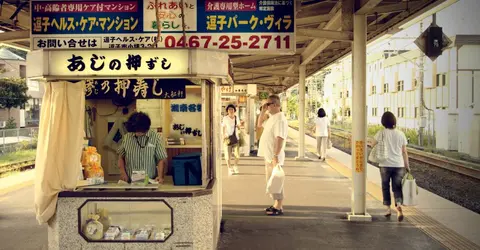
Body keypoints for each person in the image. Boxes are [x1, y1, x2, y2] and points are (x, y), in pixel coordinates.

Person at [372, 111, 410, 222]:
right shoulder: (400, 134)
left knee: (385, 187)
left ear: (383, 122)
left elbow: (372, 144)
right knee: (397, 187)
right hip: (398, 165)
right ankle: (398, 207)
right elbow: (404, 152)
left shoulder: (381, 133)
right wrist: (407, 166)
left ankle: (388, 209)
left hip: (384, 164)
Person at [257, 95, 288, 216]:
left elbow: (279, 138)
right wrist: (263, 110)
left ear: (275, 105)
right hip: (269, 155)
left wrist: (275, 155)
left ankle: (279, 206)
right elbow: (260, 124)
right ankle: (276, 203)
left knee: (276, 181)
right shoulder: (272, 117)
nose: (266, 106)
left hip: (274, 156)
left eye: (268, 104)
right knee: (272, 181)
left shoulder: (280, 119)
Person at [117, 112, 167, 183]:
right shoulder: (127, 137)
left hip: (150, 181)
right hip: (130, 181)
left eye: (140, 131)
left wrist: (160, 176)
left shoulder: (156, 137)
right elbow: (120, 157)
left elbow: (161, 159)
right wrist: (123, 173)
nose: (137, 133)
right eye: (135, 131)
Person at [222, 104, 241, 175]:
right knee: (227, 155)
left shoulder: (237, 117)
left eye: (232, 109)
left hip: (236, 138)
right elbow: (223, 127)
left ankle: (235, 166)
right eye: (229, 109)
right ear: (227, 111)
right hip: (227, 138)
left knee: (237, 155)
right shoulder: (225, 118)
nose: (231, 110)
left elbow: (239, 126)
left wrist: (238, 126)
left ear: (234, 110)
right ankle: (229, 168)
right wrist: (223, 135)